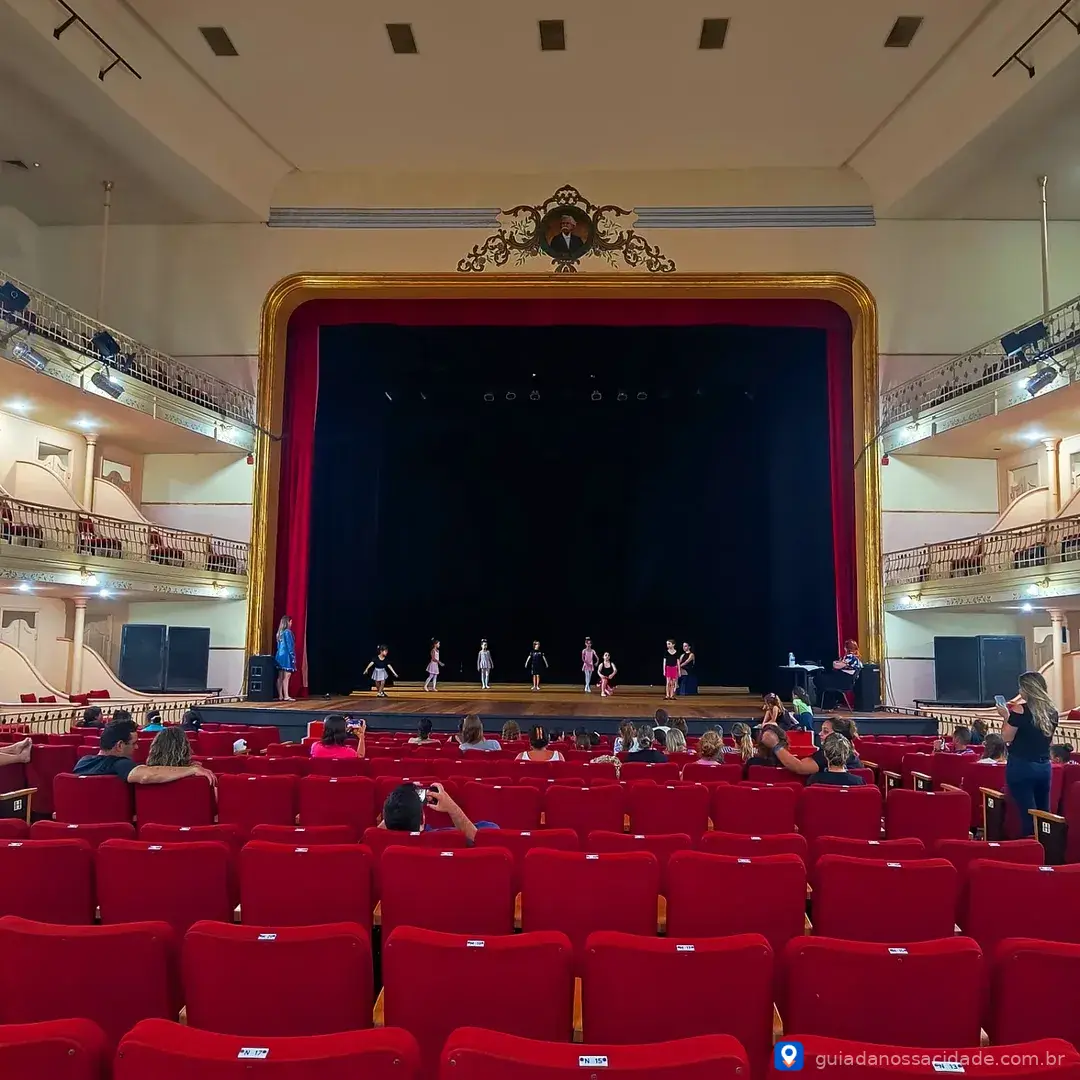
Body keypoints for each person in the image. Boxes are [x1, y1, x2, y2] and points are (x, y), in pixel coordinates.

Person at [997, 670, 1058, 836]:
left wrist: (1005, 716)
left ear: (1027, 689)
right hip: (1044, 767)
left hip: (1022, 765)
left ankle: (1030, 850)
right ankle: (1047, 847)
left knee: (1027, 813)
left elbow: (1006, 737)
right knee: (1044, 813)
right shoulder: (1052, 712)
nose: (1019, 691)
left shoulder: (1019, 710)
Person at [75, 719, 214, 786]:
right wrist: (191, 770)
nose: (136, 748)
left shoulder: (83, 761)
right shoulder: (120, 764)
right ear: (120, 745)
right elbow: (147, 776)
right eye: (133, 743)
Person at [381, 783, 493, 842]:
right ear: (422, 819)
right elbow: (481, 839)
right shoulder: (449, 836)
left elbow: (373, 834)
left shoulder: (379, 841)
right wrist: (452, 807)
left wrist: (394, 808)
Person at [761, 716, 862, 778]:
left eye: (825, 731)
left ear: (838, 735)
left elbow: (799, 767)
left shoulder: (829, 754)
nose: (820, 734)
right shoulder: (851, 754)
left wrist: (776, 745)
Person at [813, 638, 862, 705]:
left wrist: (835, 662)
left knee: (818, 679)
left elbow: (836, 666)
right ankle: (830, 703)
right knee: (825, 680)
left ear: (846, 648)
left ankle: (827, 704)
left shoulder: (850, 657)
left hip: (844, 681)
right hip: (845, 680)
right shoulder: (856, 658)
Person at [275, 615, 296, 701]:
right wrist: (293, 656)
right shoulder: (287, 632)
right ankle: (286, 695)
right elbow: (289, 646)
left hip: (279, 655)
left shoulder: (279, 633)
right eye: (291, 622)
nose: (291, 624)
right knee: (287, 676)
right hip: (286, 655)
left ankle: (280, 695)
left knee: (280, 676)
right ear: (288, 622)